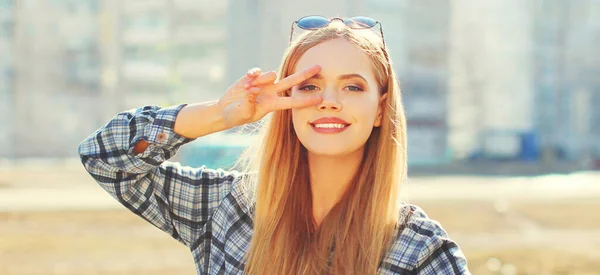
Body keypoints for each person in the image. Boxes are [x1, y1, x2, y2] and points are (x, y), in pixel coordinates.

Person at [78, 16, 470, 275]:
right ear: (287, 102)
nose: (327, 101)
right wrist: (219, 114)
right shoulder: (224, 207)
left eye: (352, 86)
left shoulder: (421, 250)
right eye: (309, 86)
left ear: (381, 109)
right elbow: (104, 157)